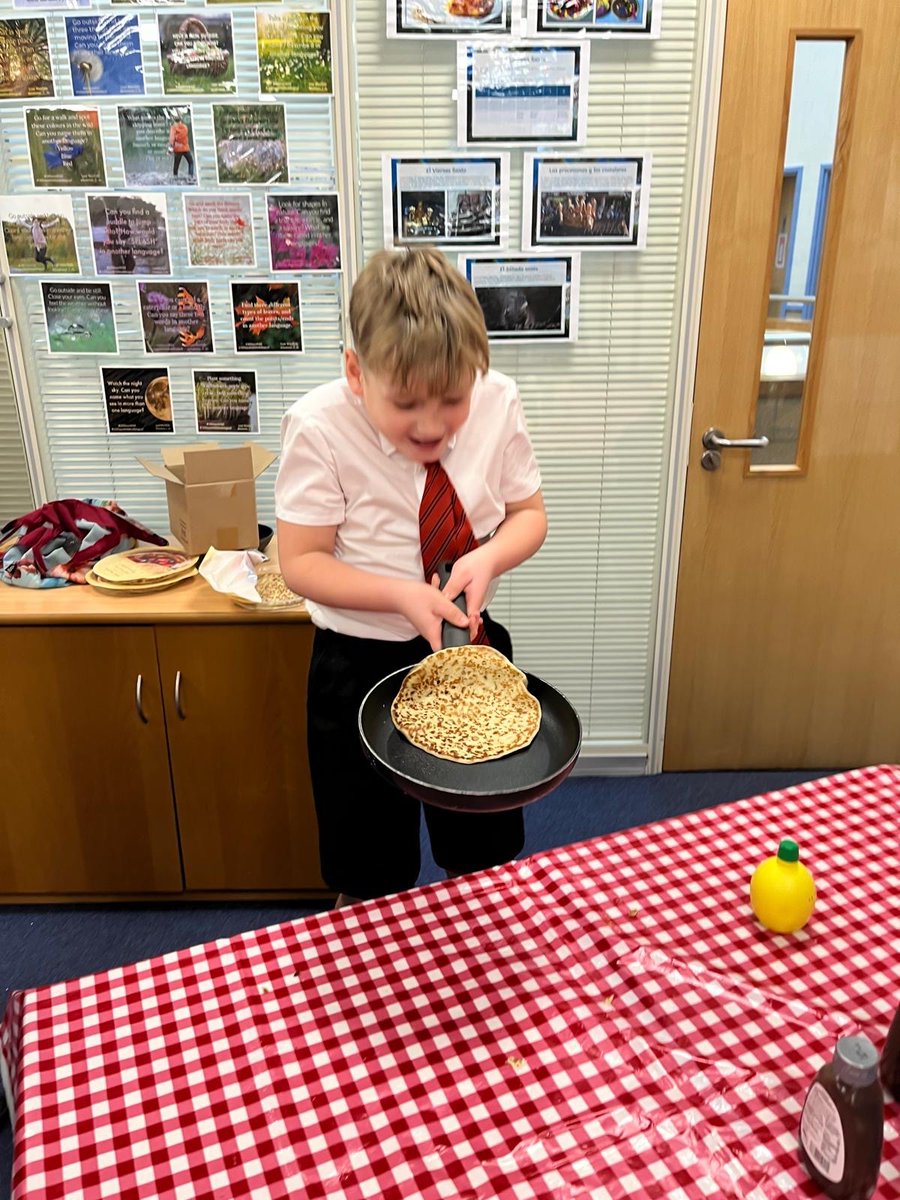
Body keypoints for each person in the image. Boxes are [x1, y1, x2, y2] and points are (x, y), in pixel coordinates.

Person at [275, 247, 547, 907]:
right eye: (406, 404)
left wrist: (488, 556)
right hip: (359, 662)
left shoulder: (498, 400)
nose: (431, 425)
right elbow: (300, 562)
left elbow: (528, 515)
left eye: (453, 400)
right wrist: (402, 596)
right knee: (367, 861)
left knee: (481, 854)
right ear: (356, 373)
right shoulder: (318, 426)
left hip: (468, 648)